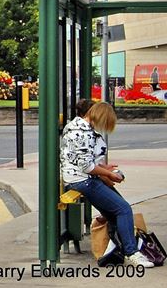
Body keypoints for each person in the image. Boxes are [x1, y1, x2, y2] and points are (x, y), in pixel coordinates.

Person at [60, 101, 154, 268]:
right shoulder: (82, 133)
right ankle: (132, 253)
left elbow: (85, 160)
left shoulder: (79, 128)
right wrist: (109, 174)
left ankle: (117, 249)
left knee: (115, 212)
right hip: (82, 181)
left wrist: (104, 168)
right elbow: (86, 167)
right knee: (123, 209)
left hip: (82, 178)